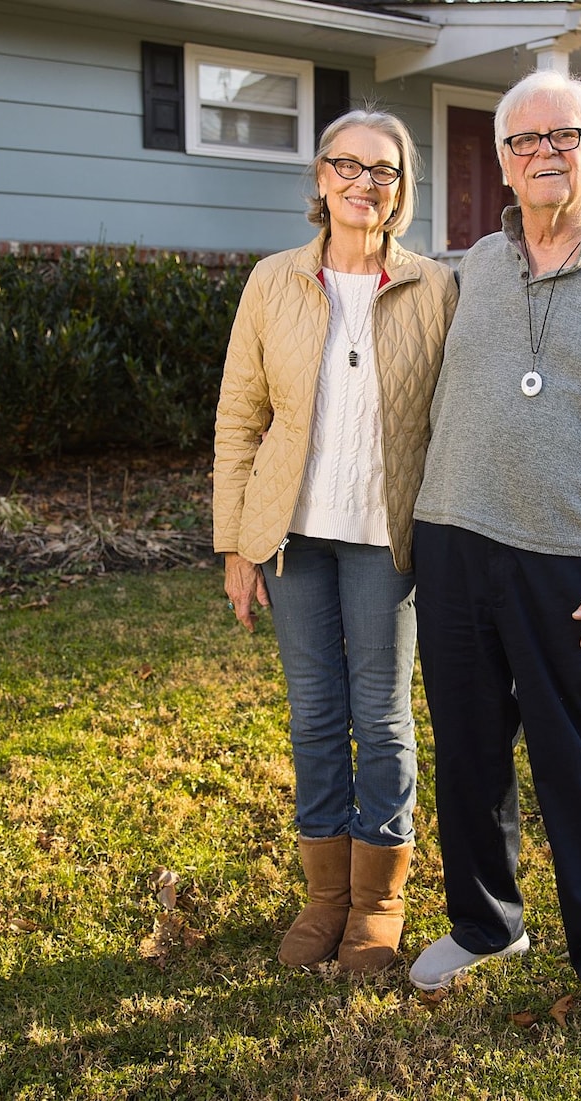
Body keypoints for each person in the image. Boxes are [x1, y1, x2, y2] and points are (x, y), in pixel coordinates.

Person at [406, 70, 581, 1062]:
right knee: (468, 750)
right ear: (500, 159)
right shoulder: (469, 269)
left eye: (561, 138)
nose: (542, 155)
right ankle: (487, 922)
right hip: (451, 545)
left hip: (572, 567)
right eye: (523, 142)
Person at [212, 110, 457, 973]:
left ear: (401, 189)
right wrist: (239, 543)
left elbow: (453, 420)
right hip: (296, 540)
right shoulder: (274, 281)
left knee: (382, 719)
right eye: (345, 165)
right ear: (320, 180)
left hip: (387, 543)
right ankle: (324, 899)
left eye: (382, 170)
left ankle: (378, 903)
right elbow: (241, 416)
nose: (363, 182)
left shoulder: (435, 288)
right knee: (316, 716)